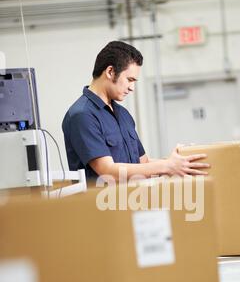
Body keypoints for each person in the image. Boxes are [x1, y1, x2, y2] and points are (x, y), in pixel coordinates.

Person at [62, 40, 209, 182]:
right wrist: (166, 166)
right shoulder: (82, 115)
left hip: (132, 201)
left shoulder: (123, 115)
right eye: (130, 80)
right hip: (100, 204)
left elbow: (143, 163)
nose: (132, 88)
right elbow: (107, 171)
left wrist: (178, 163)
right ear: (110, 71)